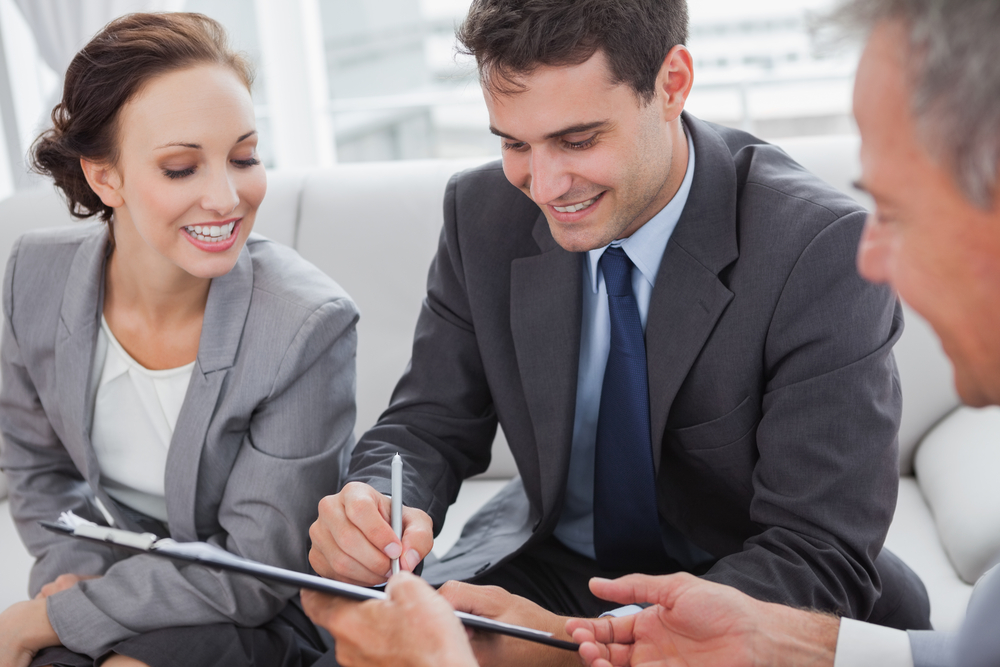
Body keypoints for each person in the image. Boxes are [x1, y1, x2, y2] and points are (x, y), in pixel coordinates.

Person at [308, 0, 928, 663]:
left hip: (747, 592)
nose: (543, 187)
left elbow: (815, 549)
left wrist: (568, 649)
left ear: (672, 84)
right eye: (514, 142)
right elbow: (427, 422)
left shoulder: (819, 250)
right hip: (548, 564)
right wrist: (373, 500)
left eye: (578, 140)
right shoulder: (481, 213)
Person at [0, 13, 357, 667]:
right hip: (120, 579)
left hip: (268, 607)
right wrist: (74, 578)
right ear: (106, 178)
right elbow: (38, 470)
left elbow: (256, 571)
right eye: (180, 168)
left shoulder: (307, 324)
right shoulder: (34, 274)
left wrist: (52, 615)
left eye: (244, 157)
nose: (226, 196)